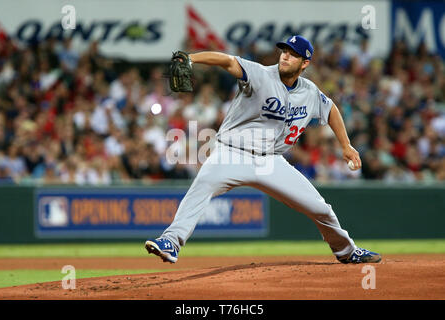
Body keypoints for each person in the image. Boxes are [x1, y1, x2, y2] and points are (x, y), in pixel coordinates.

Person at [145, 35, 381, 264]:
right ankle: (171, 241)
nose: (285, 56)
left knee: (320, 208)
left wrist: (346, 145)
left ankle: (347, 251)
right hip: (231, 153)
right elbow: (228, 61)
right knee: (200, 188)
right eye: (284, 51)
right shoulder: (260, 74)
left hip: (271, 161)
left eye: (293, 54)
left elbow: (331, 110)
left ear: (305, 63)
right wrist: (191, 58)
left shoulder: (309, 92)